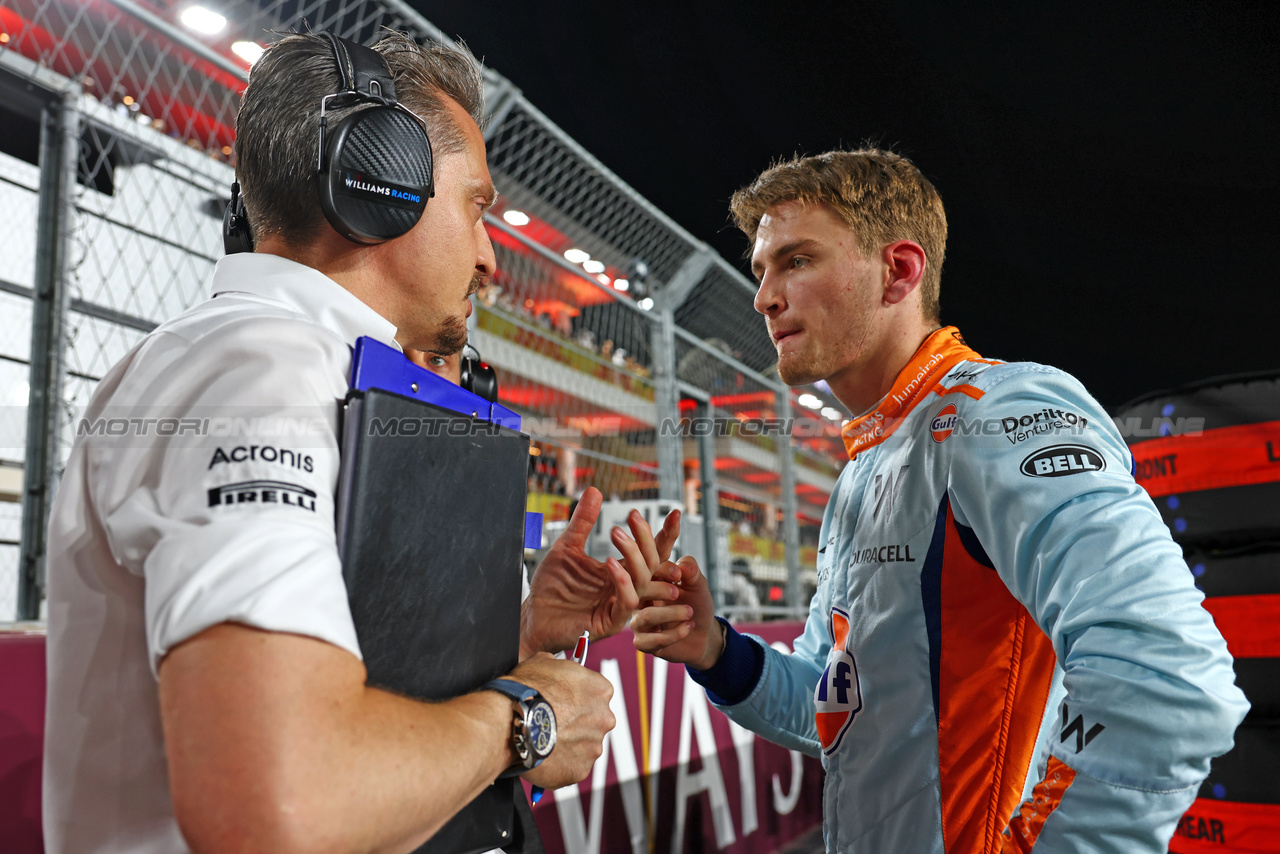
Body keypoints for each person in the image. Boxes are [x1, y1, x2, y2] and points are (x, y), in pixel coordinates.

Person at [43, 32, 676, 854]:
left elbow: (344, 687)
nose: (489, 258)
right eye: (477, 208)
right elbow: (277, 809)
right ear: (382, 179)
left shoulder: (297, 366)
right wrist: (527, 718)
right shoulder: (256, 372)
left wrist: (522, 635)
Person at [631, 149, 1249, 853]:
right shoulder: (865, 467)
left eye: (796, 260)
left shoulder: (997, 412)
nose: (764, 295)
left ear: (900, 271)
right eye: (761, 269)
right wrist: (713, 650)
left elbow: (1166, 679)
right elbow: (835, 705)